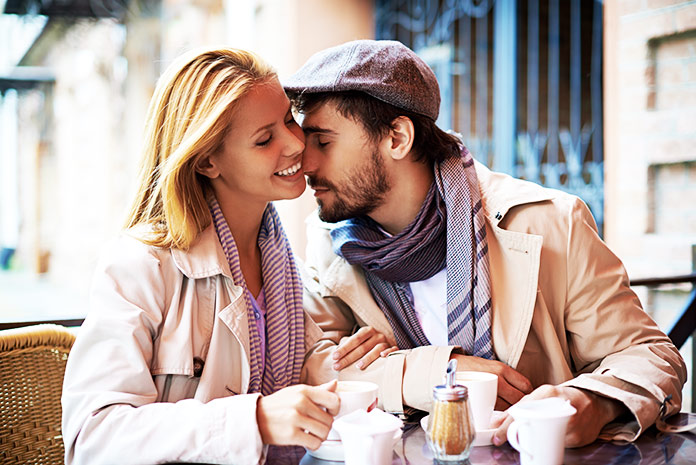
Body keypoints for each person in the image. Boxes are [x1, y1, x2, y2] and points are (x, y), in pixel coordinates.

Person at [283, 40, 687, 447]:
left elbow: (650, 355)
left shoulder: (549, 223)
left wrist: (595, 403)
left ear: (397, 138)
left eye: (323, 142)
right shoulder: (329, 244)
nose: (305, 164)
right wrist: (434, 371)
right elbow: (313, 369)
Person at [61, 46, 386, 465]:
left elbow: (314, 366)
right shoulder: (139, 265)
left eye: (289, 119)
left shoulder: (279, 262)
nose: (295, 143)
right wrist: (251, 420)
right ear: (208, 161)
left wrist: (416, 368)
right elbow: (92, 437)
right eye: (264, 139)